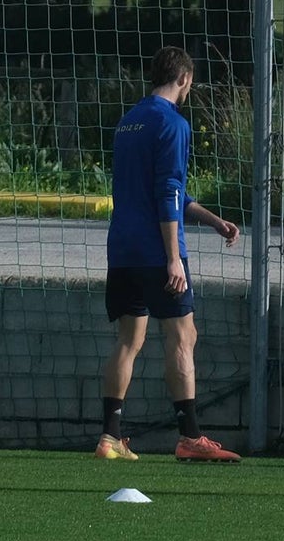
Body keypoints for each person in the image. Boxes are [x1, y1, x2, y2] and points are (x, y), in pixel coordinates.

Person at [94, 46, 242, 463]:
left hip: (122, 249)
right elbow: (168, 192)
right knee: (182, 336)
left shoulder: (129, 122)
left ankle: (110, 437)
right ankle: (190, 437)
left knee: (129, 340)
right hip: (157, 251)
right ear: (184, 80)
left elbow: (163, 191)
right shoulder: (173, 123)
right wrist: (173, 257)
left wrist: (214, 221)